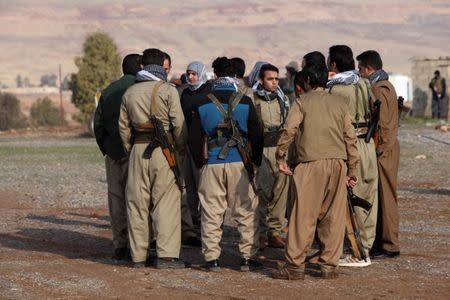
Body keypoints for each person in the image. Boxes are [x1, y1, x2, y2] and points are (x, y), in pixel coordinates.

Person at [271, 65, 360, 280]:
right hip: (338, 165)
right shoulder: (339, 102)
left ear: (308, 79)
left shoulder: (302, 102)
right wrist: (353, 169)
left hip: (309, 165)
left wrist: (280, 156)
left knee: (303, 216)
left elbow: (289, 129)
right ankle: (329, 265)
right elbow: (350, 137)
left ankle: (294, 266)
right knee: (333, 216)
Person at [190, 57, 264, 272]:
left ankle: (212, 258)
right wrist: (256, 162)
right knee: (246, 211)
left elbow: (194, 137)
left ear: (214, 75)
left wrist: (199, 163)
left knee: (211, 212)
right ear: (234, 76)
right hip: (240, 163)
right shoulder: (245, 101)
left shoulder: (201, 101)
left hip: (211, 162)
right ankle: (248, 258)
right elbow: (257, 134)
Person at [119, 48, 187, 268]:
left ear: (143, 66)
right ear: (161, 66)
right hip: (164, 151)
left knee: (137, 203)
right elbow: (178, 125)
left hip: (138, 150)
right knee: (166, 201)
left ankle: (138, 256)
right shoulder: (168, 91)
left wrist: (132, 149)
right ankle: (166, 256)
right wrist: (179, 147)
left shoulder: (130, 92)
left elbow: (123, 129)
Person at [327, 45, 378, 267]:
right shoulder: (365, 83)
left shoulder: (335, 89)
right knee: (368, 195)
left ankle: (355, 252)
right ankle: (365, 246)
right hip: (367, 144)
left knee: (348, 197)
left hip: (348, 146)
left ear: (334, 64)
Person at [93, 53, 142, 261]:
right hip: (138, 152)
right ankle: (138, 244)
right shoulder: (142, 88)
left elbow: (98, 125)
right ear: (140, 66)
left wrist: (107, 148)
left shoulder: (108, 91)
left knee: (116, 198)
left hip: (114, 152)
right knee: (138, 199)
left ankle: (120, 245)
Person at [356, 50, 400, 259]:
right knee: (383, 196)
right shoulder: (386, 86)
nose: (359, 72)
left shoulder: (378, 89)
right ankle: (383, 241)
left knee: (386, 197)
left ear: (368, 68)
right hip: (387, 147)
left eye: (360, 68)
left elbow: (382, 124)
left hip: (384, 149)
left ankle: (389, 244)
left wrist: (379, 148)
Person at [253, 63, 290, 249]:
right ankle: (259, 233)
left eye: (276, 78)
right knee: (262, 192)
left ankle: (274, 232)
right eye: (270, 79)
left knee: (280, 192)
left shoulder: (283, 100)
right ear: (261, 79)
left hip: (280, 149)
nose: (274, 82)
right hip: (261, 148)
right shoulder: (254, 99)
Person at [179, 60, 212, 247]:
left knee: (204, 187)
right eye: (188, 73)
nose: (191, 77)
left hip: (203, 147)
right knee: (190, 186)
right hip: (187, 145)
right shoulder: (185, 93)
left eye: (194, 73)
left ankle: (207, 227)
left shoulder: (208, 92)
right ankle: (191, 225)